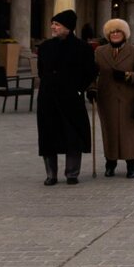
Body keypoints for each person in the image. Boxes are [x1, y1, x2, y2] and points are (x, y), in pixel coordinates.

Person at [37, 9, 95, 185]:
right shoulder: (45, 47)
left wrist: (79, 89)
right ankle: (51, 174)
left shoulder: (82, 48)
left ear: (68, 27)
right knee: (48, 135)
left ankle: (72, 173)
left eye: (57, 24)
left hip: (71, 98)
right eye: (52, 24)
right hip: (48, 98)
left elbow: (90, 71)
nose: (53, 27)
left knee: (73, 135)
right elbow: (41, 70)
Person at [93, 18, 134, 178]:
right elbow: (93, 73)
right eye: (112, 32)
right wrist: (91, 88)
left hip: (129, 99)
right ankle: (110, 163)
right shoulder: (100, 52)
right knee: (109, 131)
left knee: (129, 133)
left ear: (124, 34)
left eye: (118, 31)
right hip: (107, 98)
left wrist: (127, 75)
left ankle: (131, 164)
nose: (115, 34)